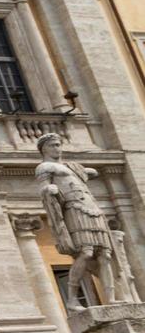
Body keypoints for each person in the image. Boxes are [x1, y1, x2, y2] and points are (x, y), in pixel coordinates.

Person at [37, 132, 117, 309]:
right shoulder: (45, 167)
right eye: (53, 145)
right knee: (86, 252)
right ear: (44, 148)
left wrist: (83, 170)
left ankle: (111, 298)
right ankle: (73, 299)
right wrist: (48, 189)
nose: (57, 148)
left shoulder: (71, 166)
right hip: (74, 209)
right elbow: (43, 188)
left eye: (59, 145)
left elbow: (92, 173)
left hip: (92, 209)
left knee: (105, 254)